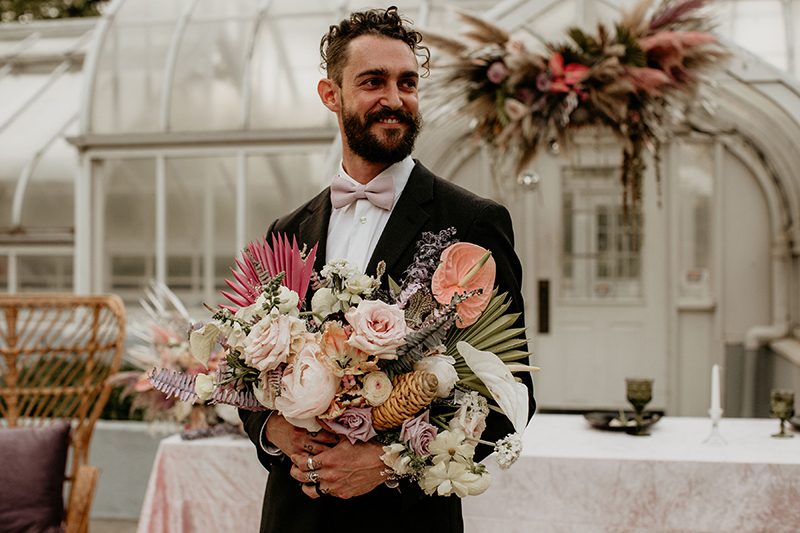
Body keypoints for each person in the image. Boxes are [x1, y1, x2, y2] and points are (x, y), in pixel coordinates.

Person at [239, 7, 535, 533]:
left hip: (409, 521)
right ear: (331, 95)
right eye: (373, 81)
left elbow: (510, 394)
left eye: (407, 83)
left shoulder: (473, 222)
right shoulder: (288, 231)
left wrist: (386, 462)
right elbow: (245, 378)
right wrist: (276, 431)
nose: (394, 99)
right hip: (294, 517)